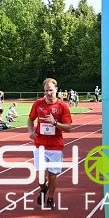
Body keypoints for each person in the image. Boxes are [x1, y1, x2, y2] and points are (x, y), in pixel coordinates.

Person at [27, 77, 73, 210]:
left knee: (52, 175)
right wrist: (30, 131)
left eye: (51, 90)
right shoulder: (38, 104)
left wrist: (55, 123)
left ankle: (50, 198)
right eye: (46, 90)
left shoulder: (62, 106)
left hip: (55, 147)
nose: (48, 93)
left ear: (56, 89)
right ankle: (43, 188)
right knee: (40, 176)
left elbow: (69, 127)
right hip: (40, 144)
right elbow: (30, 119)